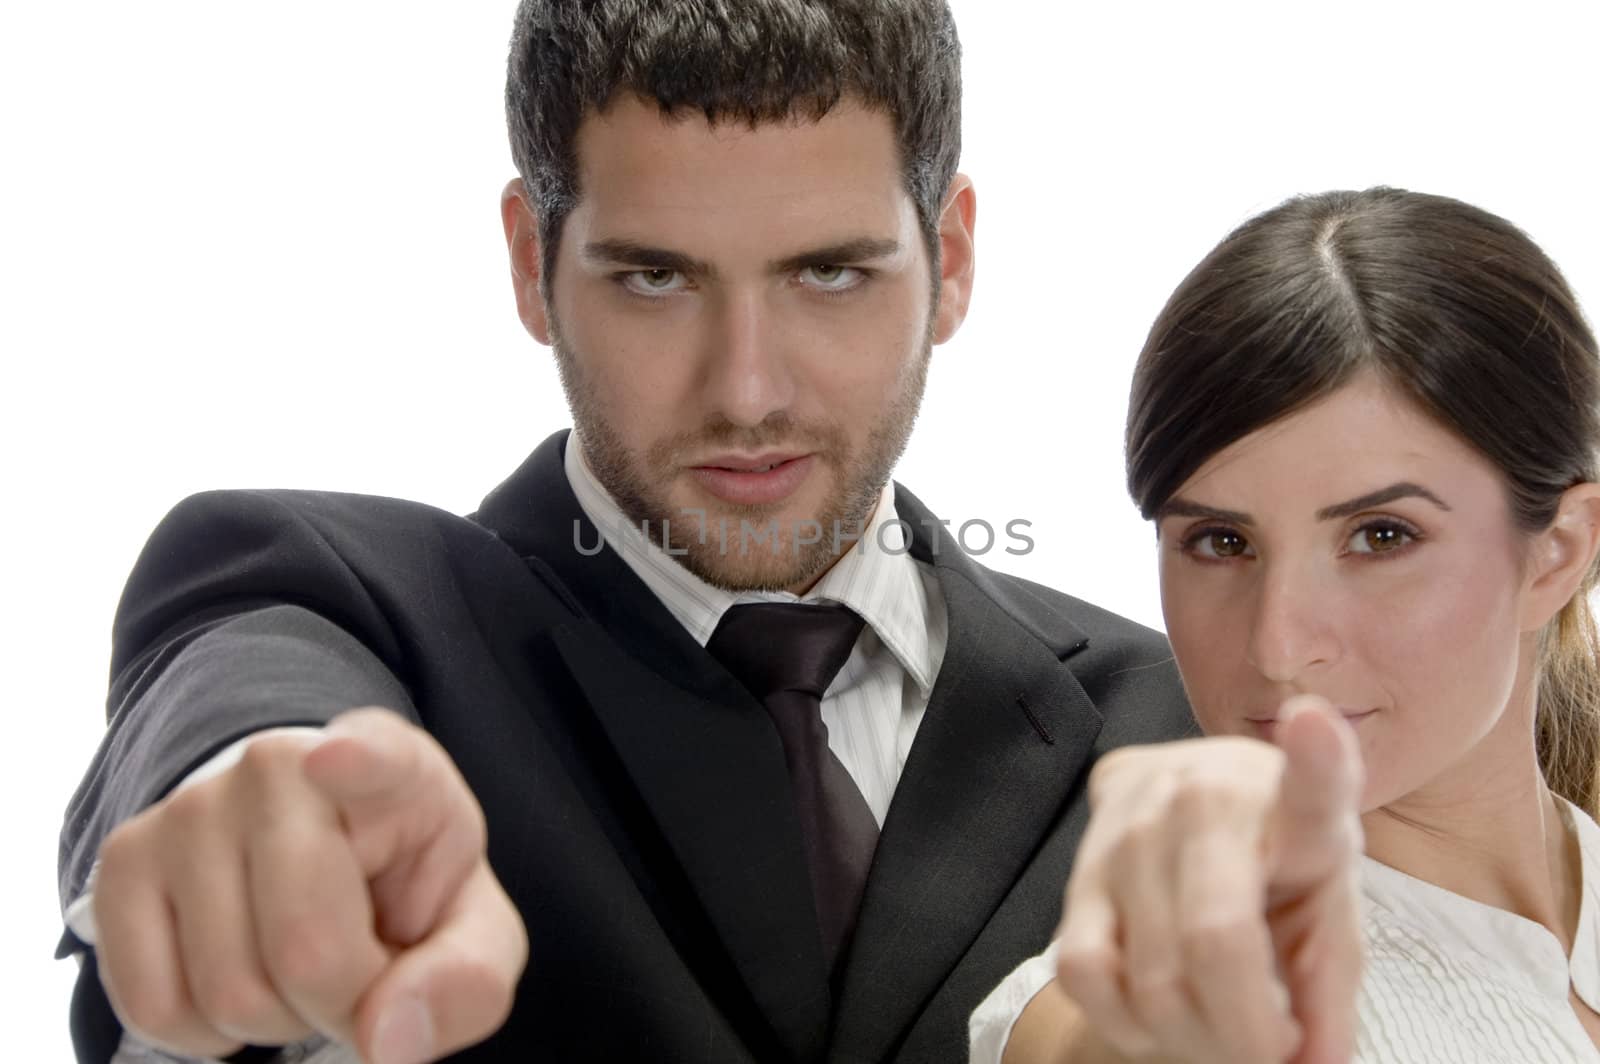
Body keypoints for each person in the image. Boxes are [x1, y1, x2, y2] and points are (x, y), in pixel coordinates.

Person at [54, 3, 1225, 1062]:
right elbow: (248, 681)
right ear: (532, 266)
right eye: (655, 279)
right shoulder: (359, 609)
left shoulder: (1171, 720)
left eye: (829, 272)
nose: (749, 389)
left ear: (951, 260)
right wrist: (260, 805)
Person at [970, 186, 1600, 1063]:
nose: (1278, 644)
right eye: (1220, 540)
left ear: (1559, 551)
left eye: (1382, 537)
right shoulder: (1144, 1005)